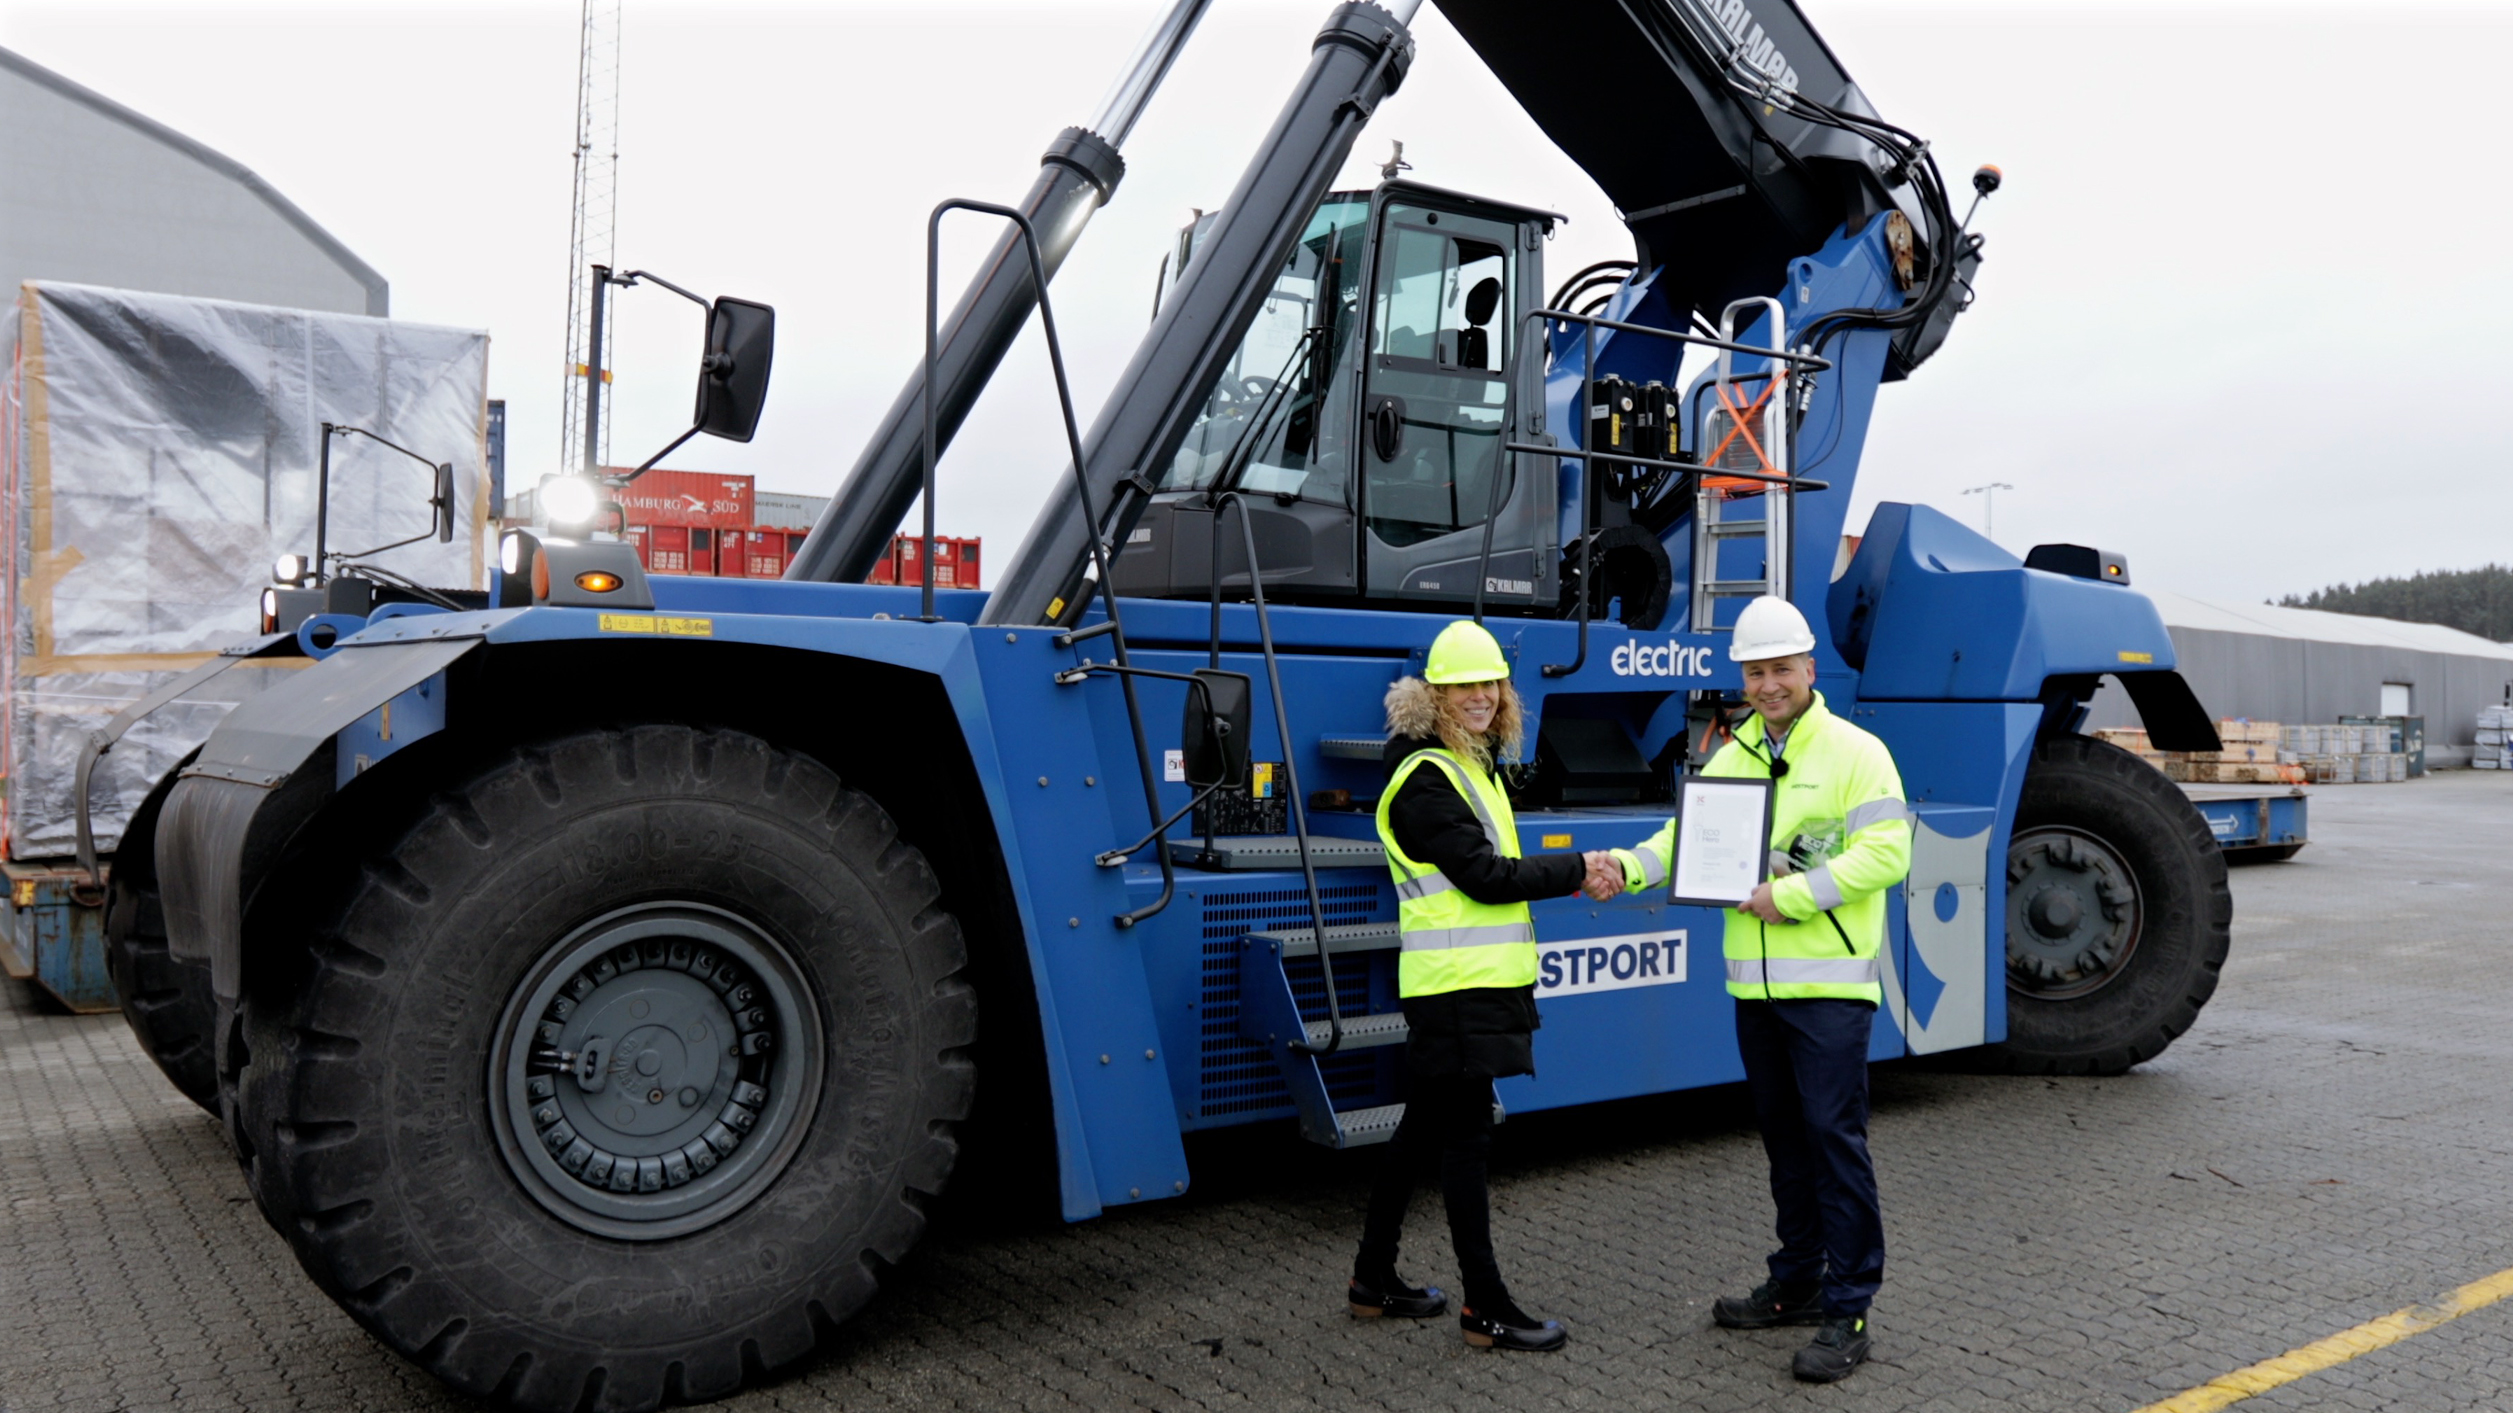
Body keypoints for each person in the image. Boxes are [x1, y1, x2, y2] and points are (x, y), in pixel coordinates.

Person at [1606, 595, 1912, 1383]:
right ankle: (1798, 1279)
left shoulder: (1855, 752)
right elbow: (1685, 839)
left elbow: (1888, 852)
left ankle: (1848, 1307)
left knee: (1833, 1143)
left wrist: (1796, 893)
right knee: (1784, 1142)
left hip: (1831, 990)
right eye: (1754, 670)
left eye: (1780, 668)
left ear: (1809, 670)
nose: (1767, 683)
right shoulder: (1733, 751)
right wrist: (1627, 868)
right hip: (1757, 990)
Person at [1352, 619, 1624, 1353]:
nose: (1479, 695)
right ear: (1433, 694)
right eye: (1464, 684)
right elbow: (1486, 878)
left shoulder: (1471, 766)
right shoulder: (1427, 780)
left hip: (1471, 981)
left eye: (1490, 683)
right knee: (1466, 1140)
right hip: (1457, 988)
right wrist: (1578, 867)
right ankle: (1487, 1307)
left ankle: (1371, 1278)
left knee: (1420, 1130)